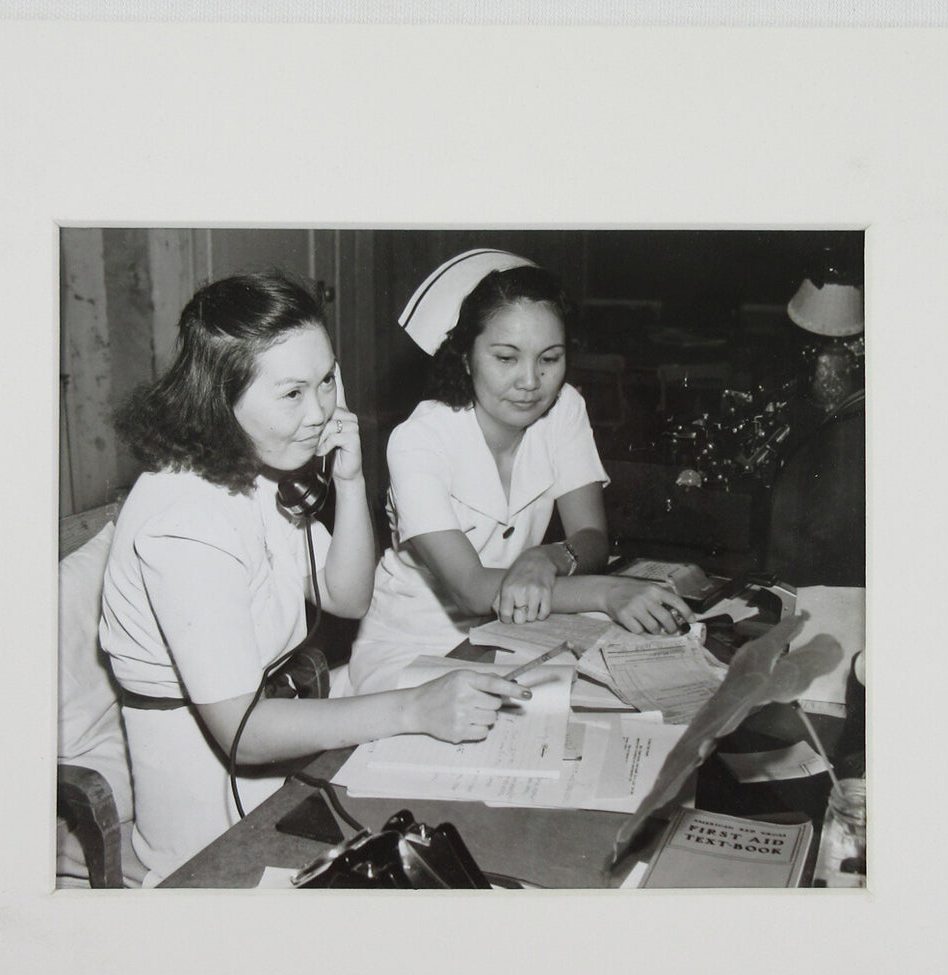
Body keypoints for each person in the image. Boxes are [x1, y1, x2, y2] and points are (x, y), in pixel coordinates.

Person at [99, 271, 529, 884]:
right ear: (219, 398)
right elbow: (243, 733)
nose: (322, 410)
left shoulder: (256, 466)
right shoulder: (186, 524)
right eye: (292, 393)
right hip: (210, 822)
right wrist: (413, 707)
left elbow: (347, 598)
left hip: (282, 754)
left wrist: (349, 482)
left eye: (327, 379)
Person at [349, 250, 696, 694]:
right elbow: (472, 589)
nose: (531, 382)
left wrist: (547, 557)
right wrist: (609, 592)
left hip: (519, 631)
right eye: (506, 358)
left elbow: (591, 537)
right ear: (466, 357)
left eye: (549, 359)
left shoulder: (565, 408)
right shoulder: (418, 440)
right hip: (413, 648)